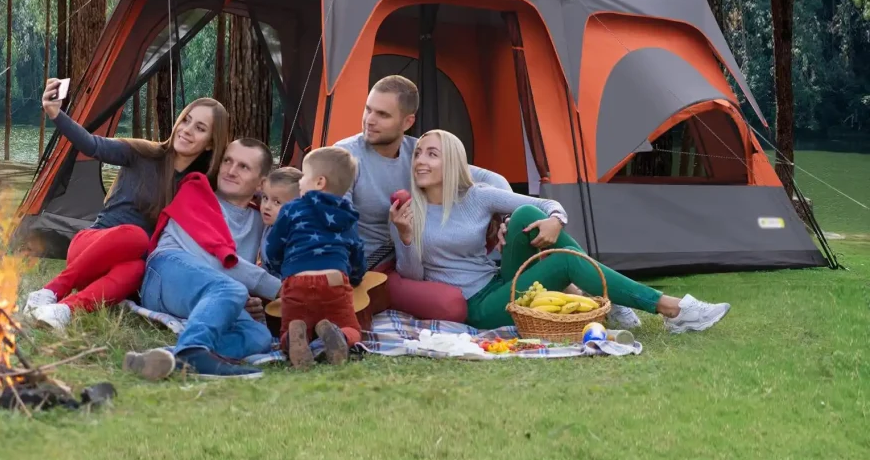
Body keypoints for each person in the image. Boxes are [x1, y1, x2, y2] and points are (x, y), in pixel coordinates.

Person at [391, 130, 731, 333]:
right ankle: (672, 309)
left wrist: (556, 219)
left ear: (451, 161)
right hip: (476, 306)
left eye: (432, 154)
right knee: (566, 263)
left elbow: (542, 205)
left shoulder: (477, 196)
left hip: (498, 281)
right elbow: (412, 276)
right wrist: (406, 237)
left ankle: (612, 297)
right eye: (418, 153)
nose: (420, 160)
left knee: (524, 212)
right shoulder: (407, 211)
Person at [335, 75, 566, 320]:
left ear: (407, 121)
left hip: (424, 255)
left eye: (383, 115)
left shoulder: (418, 154)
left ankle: (558, 288)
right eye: (368, 109)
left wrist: (504, 219)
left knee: (458, 298)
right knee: (451, 306)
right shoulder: (345, 156)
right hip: (373, 267)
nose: (370, 120)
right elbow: (339, 226)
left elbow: (490, 178)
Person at [23, 81, 228, 331]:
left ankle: (63, 310)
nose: (186, 130)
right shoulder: (142, 153)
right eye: (186, 120)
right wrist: (56, 113)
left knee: (138, 268)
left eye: (200, 128)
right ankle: (51, 290)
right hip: (89, 247)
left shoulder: (195, 187)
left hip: (116, 272)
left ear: (210, 143)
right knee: (137, 236)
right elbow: (92, 145)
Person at [123, 139, 282, 381]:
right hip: (166, 273)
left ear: (261, 183)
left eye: (243, 167)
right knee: (230, 287)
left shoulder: (260, 219)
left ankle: (169, 358)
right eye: (228, 161)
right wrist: (281, 290)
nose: (230, 170)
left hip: (213, 293)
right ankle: (194, 354)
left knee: (258, 335)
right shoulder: (197, 192)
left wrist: (242, 299)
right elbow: (219, 262)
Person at [263, 147, 367, 369]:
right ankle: (340, 335)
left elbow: (273, 247)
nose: (300, 182)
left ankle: (294, 337)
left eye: (304, 176)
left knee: (290, 326)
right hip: (335, 280)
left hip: (296, 281)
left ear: (319, 181)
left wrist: (283, 272)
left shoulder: (291, 209)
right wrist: (356, 278)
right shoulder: (347, 215)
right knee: (352, 328)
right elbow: (357, 252)